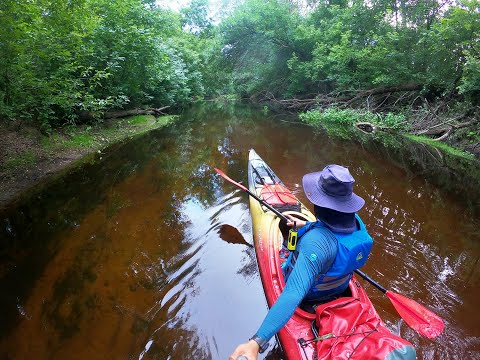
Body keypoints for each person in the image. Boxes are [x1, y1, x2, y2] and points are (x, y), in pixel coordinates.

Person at [229, 164, 374, 360]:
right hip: (339, 290)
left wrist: (256, 342)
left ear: (321, 203)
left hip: (309, 299)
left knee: (291, 250)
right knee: (303, 240)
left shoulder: (315, 244)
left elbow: (293, 293)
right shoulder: (357, 223)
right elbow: (332, 229)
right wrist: (305, 225)